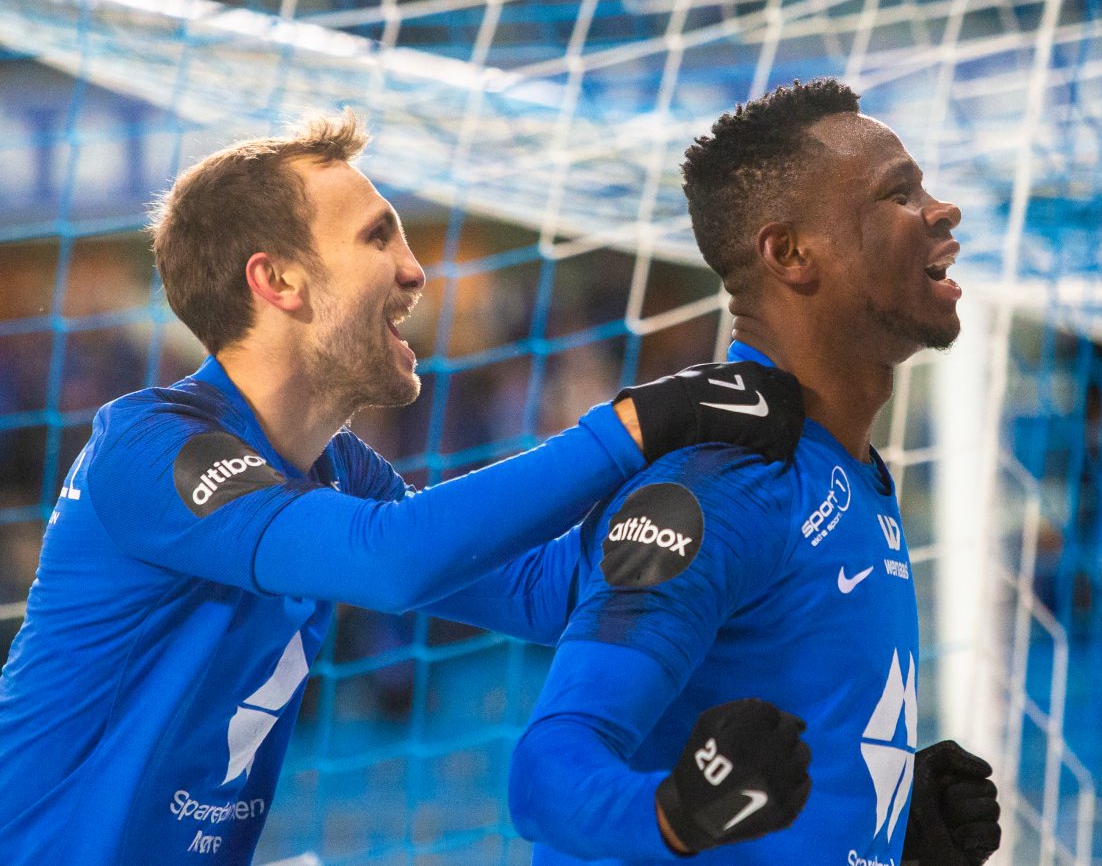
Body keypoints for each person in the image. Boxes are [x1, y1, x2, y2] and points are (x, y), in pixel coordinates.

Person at [0, 111, 806, 865]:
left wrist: (694, 512)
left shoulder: (338, 468)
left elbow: (540, 591)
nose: (415, 271)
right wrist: (639, 424)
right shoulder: (145, 448)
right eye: (378, 237)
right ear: (278, 279)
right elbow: (392, 561)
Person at [507, 79, 1003, 865]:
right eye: (899, 194)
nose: (943, 211)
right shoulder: (720, 491)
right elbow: (545, 775)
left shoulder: (851, 471)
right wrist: (677, 812)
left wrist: (875, 819)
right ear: (791, 254)